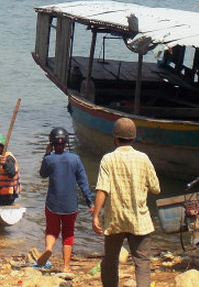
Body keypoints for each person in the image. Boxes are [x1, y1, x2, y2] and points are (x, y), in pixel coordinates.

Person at [92, 117, 160, 287]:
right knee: (142, 263)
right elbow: (156, 188)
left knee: (110, 261)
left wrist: (95, 216)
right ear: (134, 138)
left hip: (116, 219)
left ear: (115, 138)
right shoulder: (143, 158)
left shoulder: (108, 159)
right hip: (140, 220)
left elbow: (102, 189)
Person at [37, 127, 93, 272]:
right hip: (71, 206)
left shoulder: (49, 159)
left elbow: (43, 174)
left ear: (52, 143)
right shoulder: (75, 159)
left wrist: (46, 154)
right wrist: (89, 202)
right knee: (68, 234)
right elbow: (83, 182)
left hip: (52, 204)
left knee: (51, 230)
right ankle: (66, 267)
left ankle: (49, 248)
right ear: (67, 142)